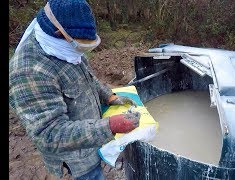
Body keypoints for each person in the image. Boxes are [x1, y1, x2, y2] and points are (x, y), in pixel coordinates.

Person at [9, 0, 141, 179]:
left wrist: (109, 97)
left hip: (93, 140)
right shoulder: (30, 71)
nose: (82, 54)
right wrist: (110, 125)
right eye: (80, 47)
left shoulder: (66, 50)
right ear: (59, 33)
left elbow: (88, 79)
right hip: (76, 161)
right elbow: (48, 134)